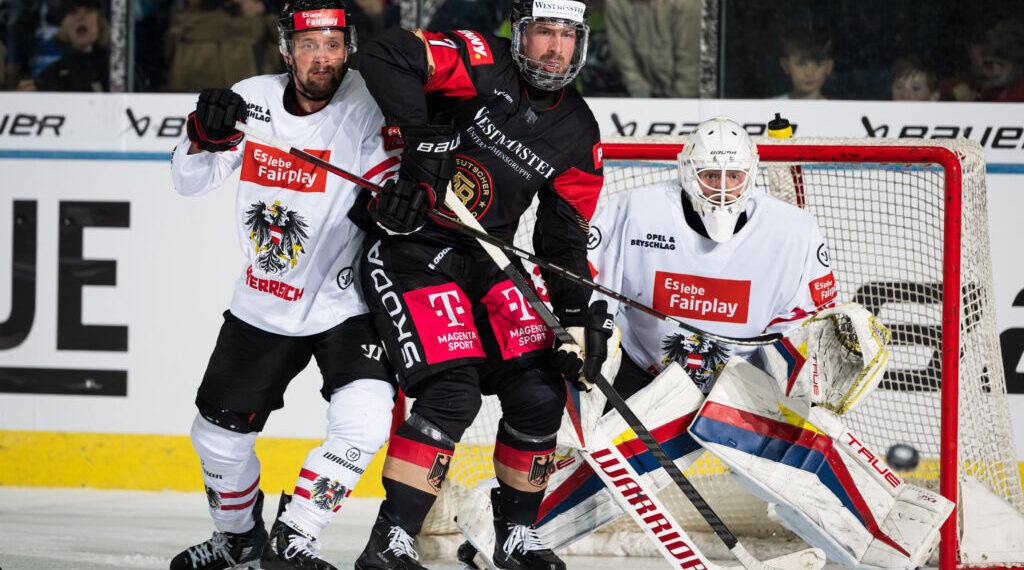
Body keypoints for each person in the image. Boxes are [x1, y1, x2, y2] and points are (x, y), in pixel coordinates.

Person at [536, 116, 953, 569]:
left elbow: (808, 324)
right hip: (643, 364)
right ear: (686, 171)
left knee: (797, 455)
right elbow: (590, 292)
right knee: (611, 467)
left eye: (733, 176)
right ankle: (513, 531)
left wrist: (817, 364)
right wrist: (593, 341)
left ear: (751, 174)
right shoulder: (634, 211)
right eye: (710, 175)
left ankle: (888, 543)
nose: (722, 187)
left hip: (737, 374)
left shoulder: (792, 232)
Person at [352, 0, 608, 568]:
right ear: (521, 34)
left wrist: (575, 320)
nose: (555, 48)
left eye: (568, 36)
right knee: (453, 395)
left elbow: (563, 240)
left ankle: (516, 536)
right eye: (545, 32)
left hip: (487, 261)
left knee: (542, 391)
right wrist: (423, 136)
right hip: (412, 248)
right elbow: (383, 52)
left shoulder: (579, 130)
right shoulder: (479, 62)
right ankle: (390, 541)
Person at [168, 0, 401, 568]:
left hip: (344, 301)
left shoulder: (370, 104)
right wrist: (205, 137)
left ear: (348, 47)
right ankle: (239, 539)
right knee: (216, 440)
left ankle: (296, 535)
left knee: (367, 417)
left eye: (332, 45)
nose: (322, 58)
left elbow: (388, 197)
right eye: (309, 45)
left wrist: (393, 202)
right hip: (262, 303)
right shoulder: (252, 97)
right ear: (286, 50)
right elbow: (187, 182)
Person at [605, 0, 699, 98]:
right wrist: (642, 98)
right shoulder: (615, 4)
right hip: (640, 95)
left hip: (688, 97)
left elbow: (690, 67)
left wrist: (676, 106)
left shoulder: (687, 4)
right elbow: (624, 59)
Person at [16, 0, 109, 91]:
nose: (81, 17)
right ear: (64, 26)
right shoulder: (50, 76)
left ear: (100, 22)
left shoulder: (117, 66)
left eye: (89, 11)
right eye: (73, 12)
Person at [775, 21, 833, 100]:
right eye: (801, 64)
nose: (809, 73)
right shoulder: (770, 108)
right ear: (786, 65)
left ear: (829, 66)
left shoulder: (838, 110)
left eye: (817, 64)